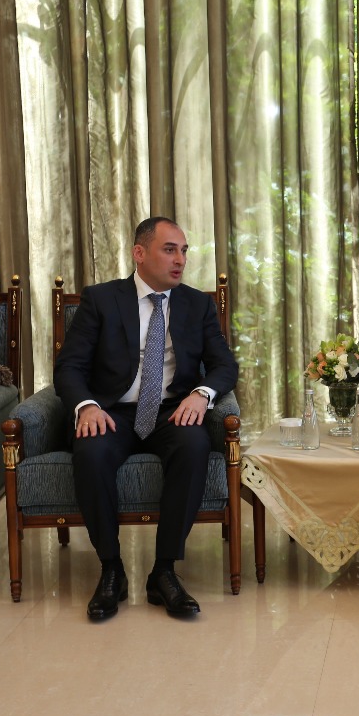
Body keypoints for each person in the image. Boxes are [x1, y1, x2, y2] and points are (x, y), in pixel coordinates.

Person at [55, 217, 238, 622]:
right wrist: (86, 405)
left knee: (194, 445)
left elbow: (225, 365)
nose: (180, 260)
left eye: (184, 251)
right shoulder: (101, 299)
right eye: (169, 250)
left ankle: (164, 572)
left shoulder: (197, 304)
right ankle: (111, 570)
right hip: (112, 411)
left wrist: (201, 394)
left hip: (170, 410)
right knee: (90, 451)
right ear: (139, 253)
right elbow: (69, 366)